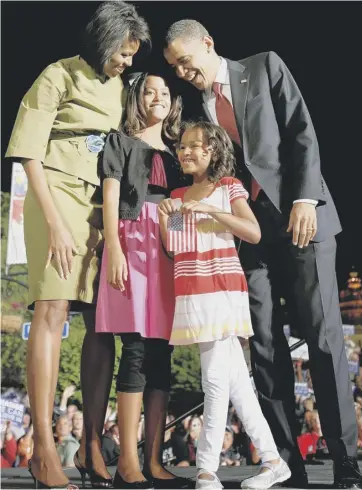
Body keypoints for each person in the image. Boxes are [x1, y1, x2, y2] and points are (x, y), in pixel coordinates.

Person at [163, 20, 362, 489]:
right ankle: (286, 465)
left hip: (301, 220)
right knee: (263, 345)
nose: (182, 70)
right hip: (251, 235)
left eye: (185, 59)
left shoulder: (264, 67)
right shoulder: (198, 106)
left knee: (322, 338)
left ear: (207, 43)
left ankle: (346, 465)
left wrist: (305, 199)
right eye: (174, 66)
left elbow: (300, 131)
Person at [5, 2, 150, 488]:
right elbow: (28, 153)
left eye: (133, 55)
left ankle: (91, 443)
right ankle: (44, 447)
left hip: (101, 207)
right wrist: (54, 223)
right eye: (124, 53)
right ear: (104, 39)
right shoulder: (57, 75)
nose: (128, 62)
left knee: (101, 324)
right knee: (51, 312)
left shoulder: (119, 89)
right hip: (56, 201)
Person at [158, 121, 291, 490]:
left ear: (211, 150)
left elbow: (252, 231)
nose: (184, 152)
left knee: (214, 381)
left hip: (221, 289)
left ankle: (205, 470)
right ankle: (273, 460)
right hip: (192, 290)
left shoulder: (228, 187)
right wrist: (165, 220)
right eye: (181, 146)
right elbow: (174, 247)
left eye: (193, 146)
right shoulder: (179, 193)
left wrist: (211, 212)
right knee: (237, 386)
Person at [96, 72, 191, 489]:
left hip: (169, 246)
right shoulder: (119, 141)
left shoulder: (177, 151)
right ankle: (127, 463)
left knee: (161, 352)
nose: (159, 97)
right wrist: (113, 245)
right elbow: (111, 194)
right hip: (133, 241)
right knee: (134, 347)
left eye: (166, 92)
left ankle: (153, 460)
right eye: (150, 91)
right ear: (136, 96)